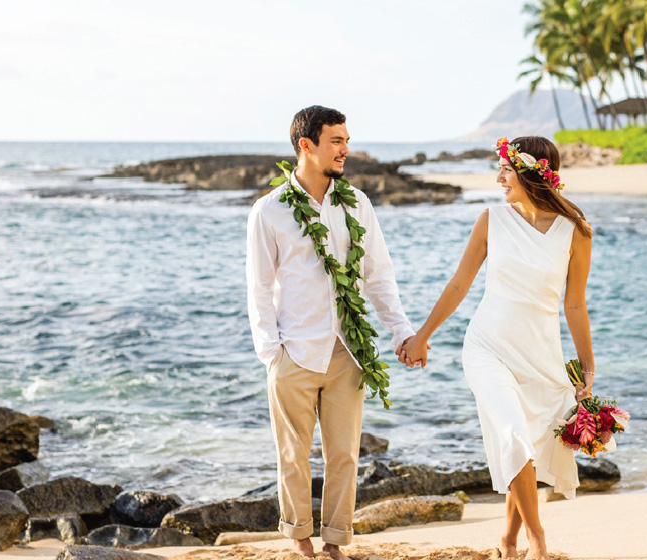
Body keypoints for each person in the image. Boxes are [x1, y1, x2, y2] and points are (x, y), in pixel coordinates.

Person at [399, 136, 596, 560]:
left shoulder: (575, 232)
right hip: (487, 347)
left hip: (540, 355)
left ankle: (507, 541)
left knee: (524, 443)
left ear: (532, 173)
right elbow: (459, 284)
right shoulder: (492, 220)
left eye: (507, 168)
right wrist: (423, 334)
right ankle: (537, 540)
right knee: (512, 433)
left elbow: (575, 304)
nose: (499, 177)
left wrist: (587, 370)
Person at [246, 105, 416, 560]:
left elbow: (379, 276)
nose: (346, 149)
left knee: (344, 455)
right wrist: (271, 354)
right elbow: (259, 287)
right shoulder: (269, 211)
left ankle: (336, 541)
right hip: (295, 351)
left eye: (346, 139)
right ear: (306, 145)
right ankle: (301, 540)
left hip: (348, 349)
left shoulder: (357, 203)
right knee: (293, 455)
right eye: (336, 141)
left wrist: (401, 332)